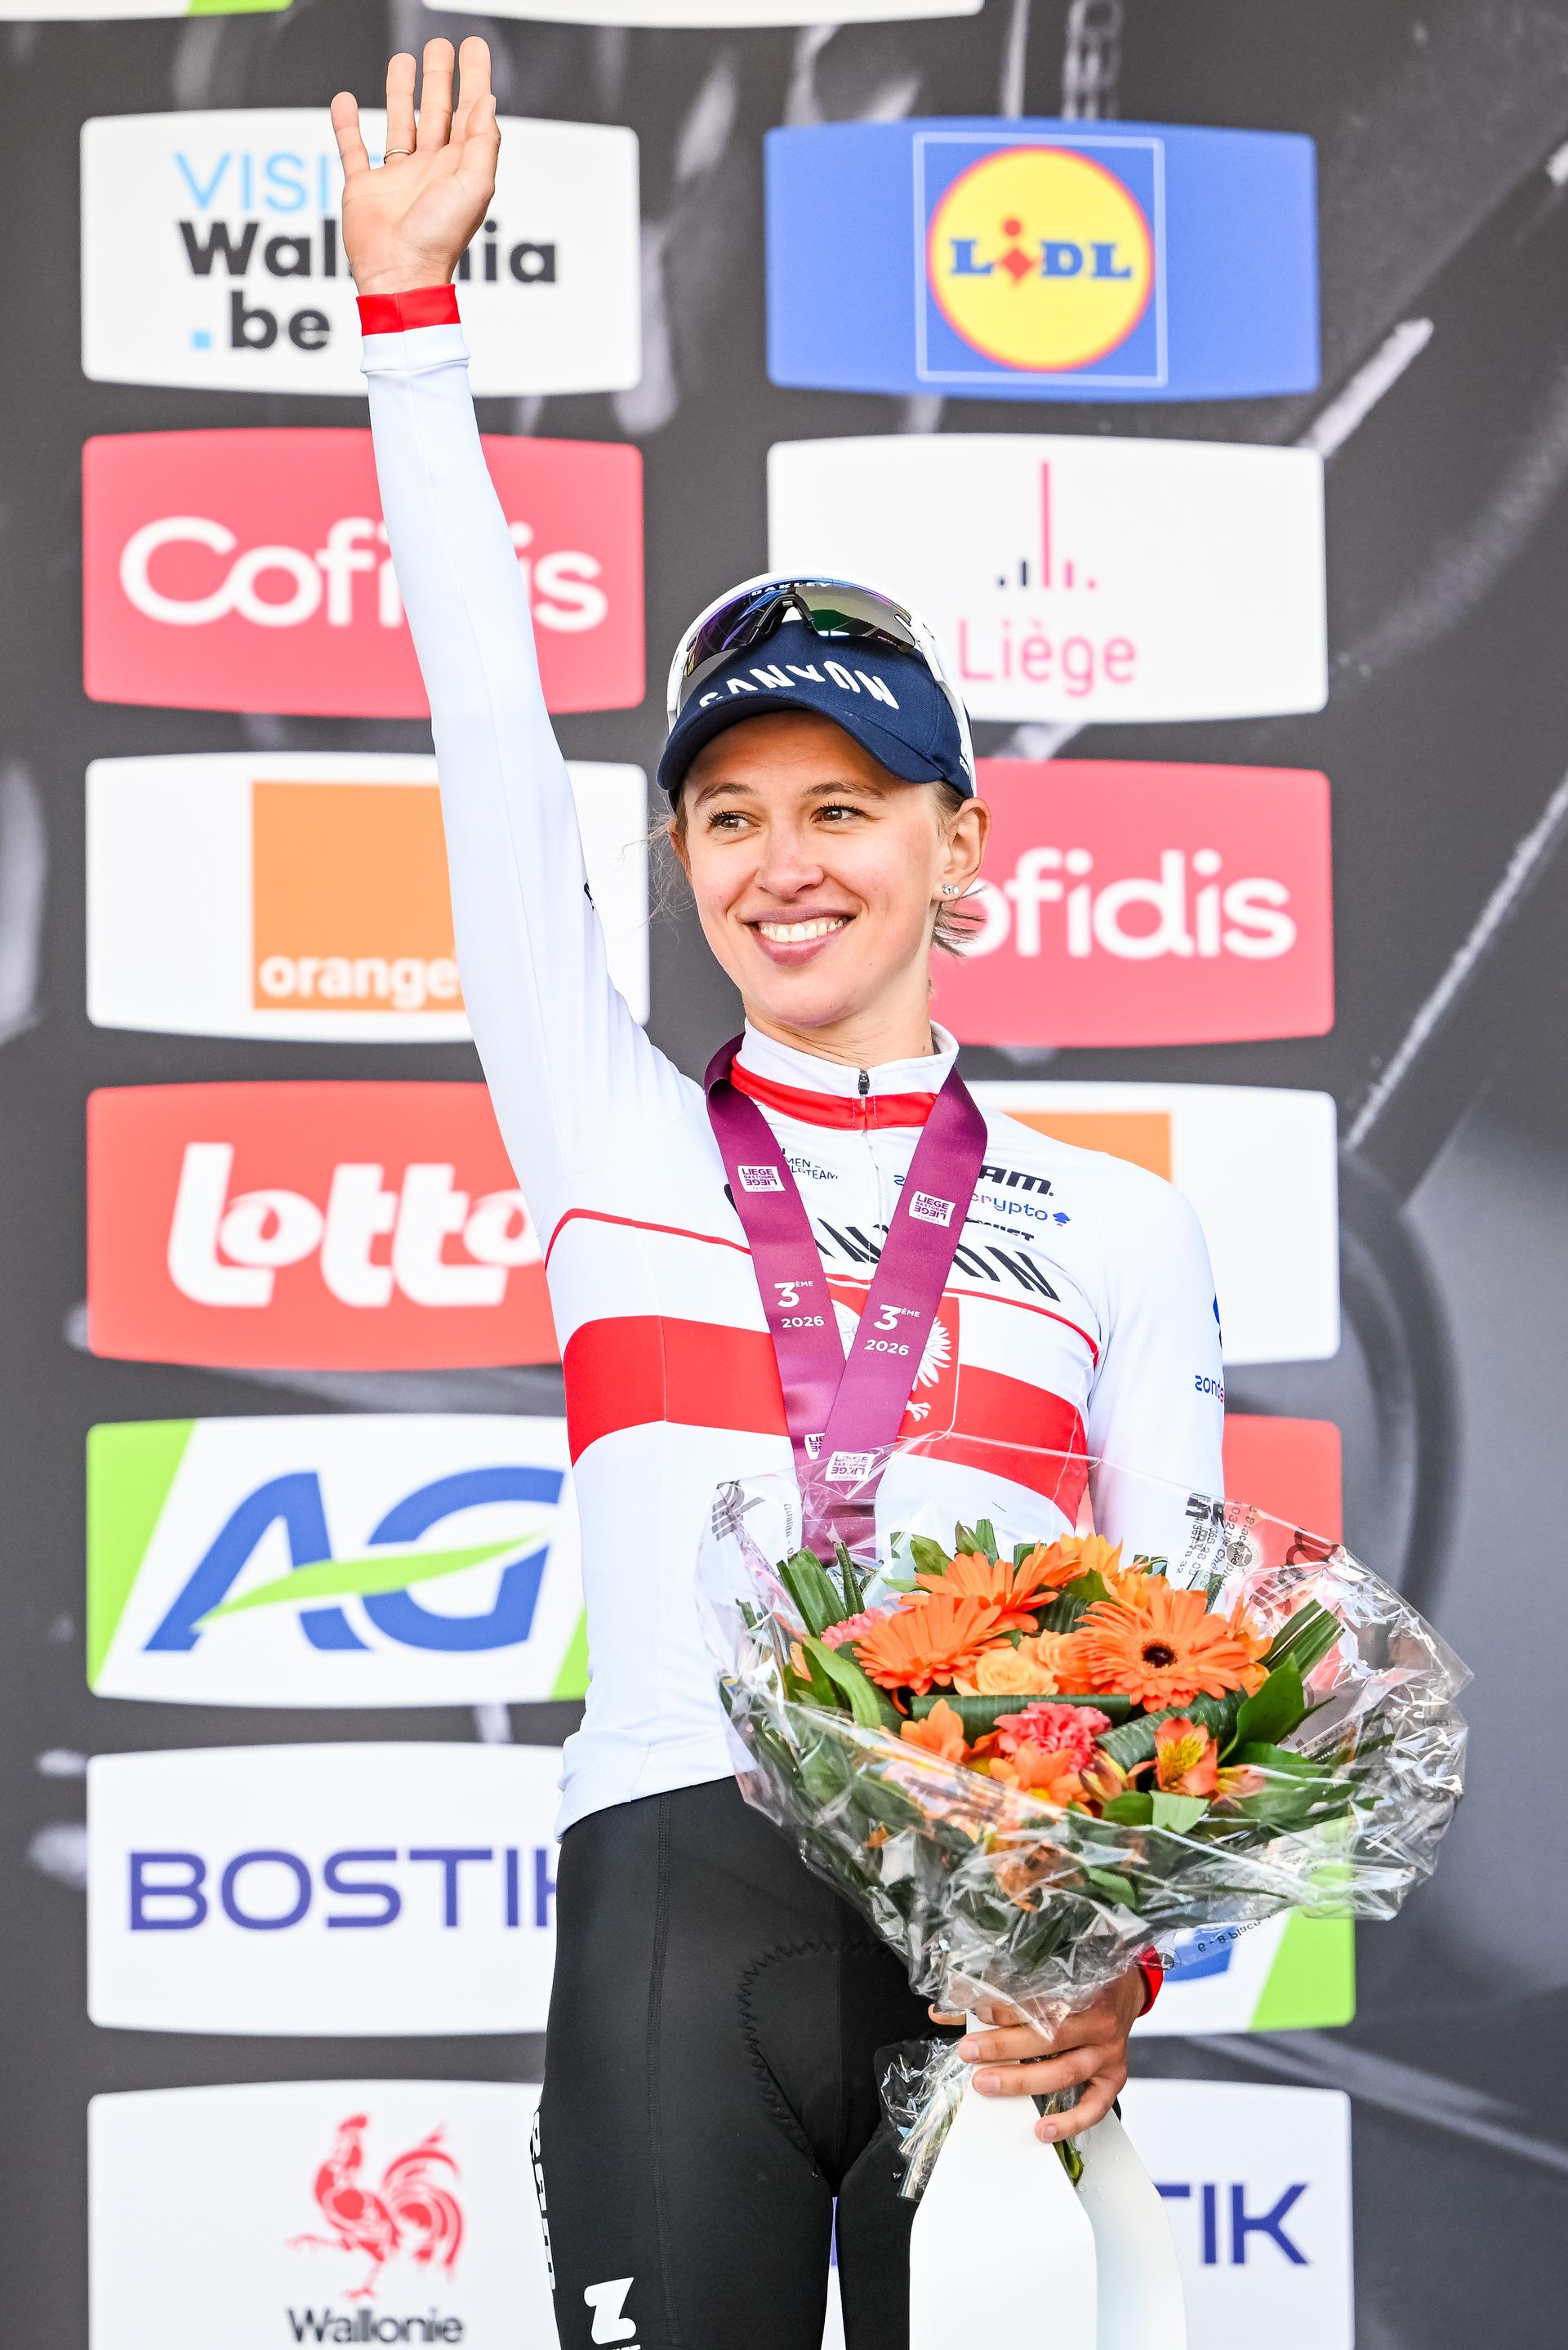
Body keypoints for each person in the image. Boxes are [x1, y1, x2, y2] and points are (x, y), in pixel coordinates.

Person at [332, 39, 1225, 2350]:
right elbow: (488, 749)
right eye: (731, 814)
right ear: (682, 865)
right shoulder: (611, 1136)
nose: (785, 860)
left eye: (845, 805)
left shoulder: (1117, 1226)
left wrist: (1115, 1968)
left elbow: (1189, 1680)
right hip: (671, 1923)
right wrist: (413, 338)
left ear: (962, 845)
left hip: (995, 1973)